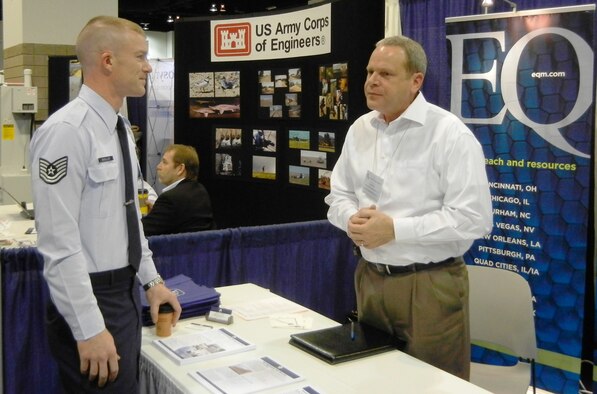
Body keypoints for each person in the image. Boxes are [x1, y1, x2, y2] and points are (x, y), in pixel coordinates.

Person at [324, 35, 493, 380]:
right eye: (370, 71)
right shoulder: (360, 129)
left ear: (416, 81)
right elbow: (336, 196)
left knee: (431, 383)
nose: (371, 80)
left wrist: (395, 230)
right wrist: (350, 220)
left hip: (429, 284)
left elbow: (474, 220)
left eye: (385, 74)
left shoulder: (449, 135)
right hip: (370, 279)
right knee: (375, 379)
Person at [30, 16, 182, 392]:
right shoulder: (67, 134)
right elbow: (59, 246)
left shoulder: (117, 129)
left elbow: (129, 218)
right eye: (141, 56)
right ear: (108, 61)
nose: (149, 66)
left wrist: (152, 280)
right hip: (91, 298)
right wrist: (89, 328)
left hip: (123, 293)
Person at [142, 144, 216, 236]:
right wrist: (157, 212)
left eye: (164, 162)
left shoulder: (170, 199)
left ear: (180, 169)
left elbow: (142, 231)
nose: (158, 167)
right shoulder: (201, 190)